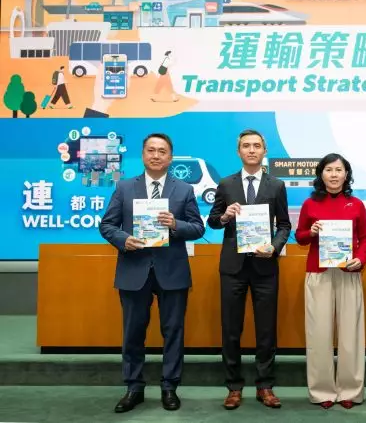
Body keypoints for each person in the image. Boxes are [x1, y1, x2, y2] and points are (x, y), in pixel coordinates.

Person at [99, 133, 205, 413]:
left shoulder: (184, 189)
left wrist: (176, 224)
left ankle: (170, 387)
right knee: (133, 333)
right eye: (151, 150)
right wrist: (123, 240)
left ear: (170, 157)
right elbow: (107, 225)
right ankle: (134, 387)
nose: (156, 155)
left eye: (162, 151)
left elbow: (198, 228)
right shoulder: (124, 187)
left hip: (172, 271)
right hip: (134, 270)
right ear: (143, 154)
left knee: (173, 332)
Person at [207, 129, 291, 410]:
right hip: (233, 267)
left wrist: (274, 247)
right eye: (246, 146)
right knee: (231, 329)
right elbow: (212, 221)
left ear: (264, 151)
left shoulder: (276, 185)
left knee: (266, 329)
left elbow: (284, 225)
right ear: (238, 151)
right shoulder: (225, 183)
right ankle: (233, 386)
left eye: (256, 145)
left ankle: (265, 385)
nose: (252, 150)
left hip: (265, 266)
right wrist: (224, 216)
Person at [295, 153, 366, 410]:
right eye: (329, 170)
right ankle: (322, 391)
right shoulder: (309, 204)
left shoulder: (356, 204)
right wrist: (310, 231)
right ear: (321, 174)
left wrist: (361, 259)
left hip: (348, 273)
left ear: (346, 174)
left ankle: (350, 390)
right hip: (318, 273)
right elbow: (300, 236)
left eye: (339, 170)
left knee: (351, 334)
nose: (334, 174)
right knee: (319, 333)